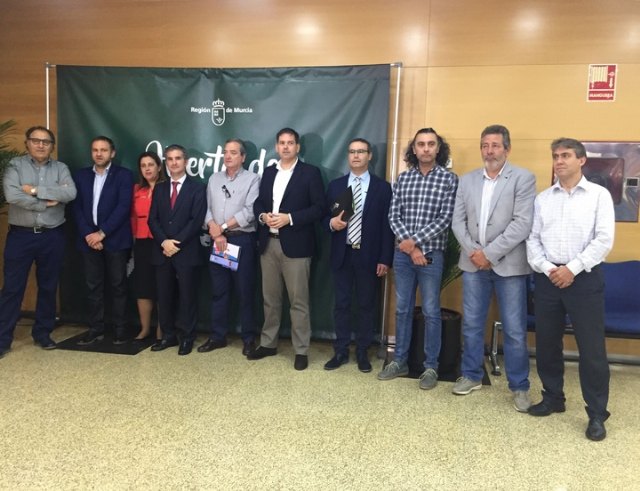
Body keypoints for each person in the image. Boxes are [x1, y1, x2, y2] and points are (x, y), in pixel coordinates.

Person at [526, 137, 615, 441]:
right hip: (549, 278)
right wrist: (548, 268)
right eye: (555, 156)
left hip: (584, 279)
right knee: (547, 343)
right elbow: (533, 239)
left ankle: (597, 413)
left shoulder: (599, 196)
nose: (559, 161)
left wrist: (572, 269)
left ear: (581, 160)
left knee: (591, 349)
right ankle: (553, 397)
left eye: (565, 155)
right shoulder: (543, 199)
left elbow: (603, 240)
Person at [451, 124, 536, 411]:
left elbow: (522, 224)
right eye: (485, 145)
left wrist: (489, 254)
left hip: (509, 265)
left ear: (507, 149)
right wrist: (475, 253)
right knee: (472, 324)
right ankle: (472, 375)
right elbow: (457, 222)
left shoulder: (523, 178)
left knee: (514, 329)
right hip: (473, 264)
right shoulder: (467, 180)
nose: (490, 151)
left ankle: (519, 386)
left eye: (495, 145)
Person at [378, 128, 458, 389]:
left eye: (430, 144)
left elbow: (445, 219)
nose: (425, 148)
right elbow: (393, 216)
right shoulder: (403, 179)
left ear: (438, 148)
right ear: (414, 149)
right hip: (403, 255)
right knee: (402, 308)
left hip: (431, 254)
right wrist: (411, 247)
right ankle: (399, 361)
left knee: (431, 310)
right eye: (420, 144)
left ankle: (430, 367)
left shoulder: (449, 179)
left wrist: (415, 242)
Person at [249, 128, 325, 370]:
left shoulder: (310, 173)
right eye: (281, 143)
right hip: (268, 244)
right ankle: (268, 344)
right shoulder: (269, 172)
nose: (285, 147)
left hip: (297, 247)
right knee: (270, 299)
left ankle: (301, 350)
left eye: (290, 143)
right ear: (276, 146)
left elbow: (319, 208)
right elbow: (259, 203)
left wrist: (289, 218)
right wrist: (262, 216)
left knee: (298, 302)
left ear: (297, 147)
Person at [0, 126, 77, 358]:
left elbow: (70, 193)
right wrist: (45, 202)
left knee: (48, 286)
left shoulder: (61, 168)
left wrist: (33, 190)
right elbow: (12, 195)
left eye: (46, 142)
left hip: (52, 235)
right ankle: (3, 339)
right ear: (27, 143)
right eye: (36, 140)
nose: (41, 145)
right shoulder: (15, 166)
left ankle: (43, 333)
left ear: (52, 146)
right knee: (12, 288)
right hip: (20, 236)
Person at [323, 138, 394, 373]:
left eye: (361, 151)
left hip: (369, 255)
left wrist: (385, 258)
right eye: (352, 151)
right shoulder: (336, 186)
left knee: (366, 305)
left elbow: (387, 227)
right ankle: (341, 350)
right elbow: (323, 217)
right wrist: (331, 223)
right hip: (342, 253)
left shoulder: (382, 188)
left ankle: (363, 351)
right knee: (341, 304)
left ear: (369, 156)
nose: (356, 155)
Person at [199, 138, 260, 356]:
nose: (228, 156)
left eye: (233, 152)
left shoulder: (252, 179)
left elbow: (250, 212)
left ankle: (248, 338)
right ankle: (218, 336)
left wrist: (222, 228)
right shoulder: (214, 179)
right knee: (219, 291)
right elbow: (206, 209)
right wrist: (214, 230)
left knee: (245, 292)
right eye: (225, 152)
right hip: (218, 242)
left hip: (241, 240)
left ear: (243, 157)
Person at [73, 136, 133, 345]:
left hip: (115, 240)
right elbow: (76, 207)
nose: (99, 154)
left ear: (112, 153)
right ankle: (95, 328)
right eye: (95, 150)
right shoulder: (81, 176)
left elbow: (123, 207)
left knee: (118, 286)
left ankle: (120, 329)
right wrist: (89, 235)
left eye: (104, 150)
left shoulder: (124, 175)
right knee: (93, 287)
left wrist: (102, 233)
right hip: (88, 240)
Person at [148, 144, 206, 356]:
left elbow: (196, 220)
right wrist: (164, 242)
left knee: (187, 296)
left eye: (178, 158)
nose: (174, 163)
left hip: (186, 251)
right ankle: (168, 336)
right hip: (162, 251)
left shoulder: (197, 188)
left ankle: (187, 337)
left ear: (186, 162)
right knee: (164, 296)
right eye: (170, 159)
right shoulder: (160, 188)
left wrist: (176, 243)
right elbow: (152, 219)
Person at [130, 151, 165, 342]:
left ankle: (162, 329)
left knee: (162, 286)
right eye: (143, 166)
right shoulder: (137, 190)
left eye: (151, 165)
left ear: (159, 167)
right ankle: (144, 329)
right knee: (143, 285)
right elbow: (132, 216)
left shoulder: (167, 188)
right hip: (142, 241)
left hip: (161, 241)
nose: (147, 169)